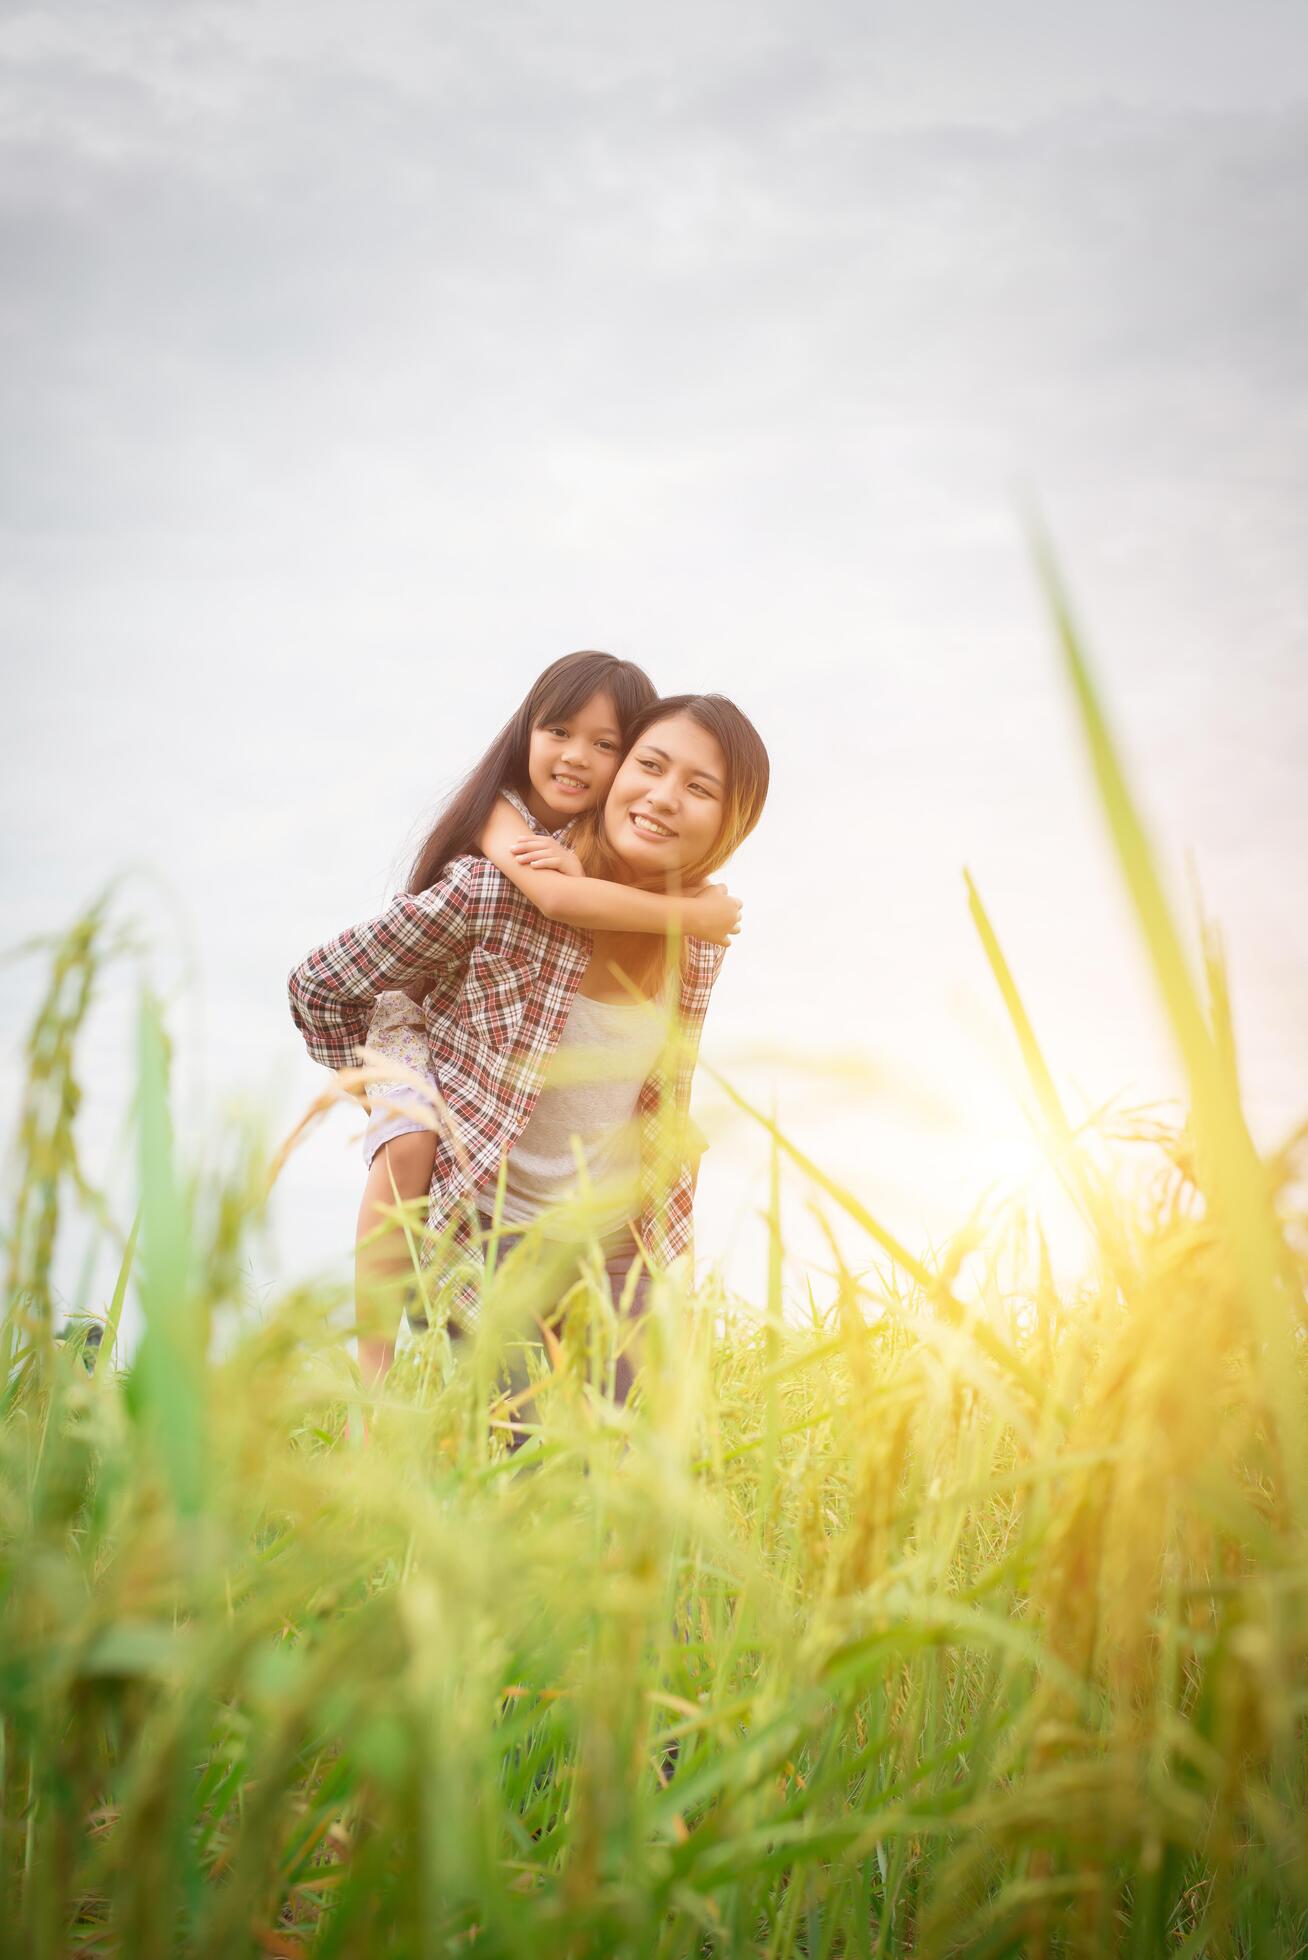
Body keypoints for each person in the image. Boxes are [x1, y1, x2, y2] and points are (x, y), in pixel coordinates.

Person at [287, 692, 769, 1425]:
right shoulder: (494, 893)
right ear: (616, 776)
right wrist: (399, 1099)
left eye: (699, 789)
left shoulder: (698, 941)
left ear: (730, 825)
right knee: (528, 1465)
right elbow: (320, 986)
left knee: (639, 1469)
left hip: (616, 1246)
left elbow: (657, 1097)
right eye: (651, 766)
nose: (665, 798)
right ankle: (372, 1404)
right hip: (488, 1243)